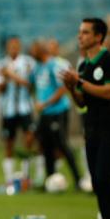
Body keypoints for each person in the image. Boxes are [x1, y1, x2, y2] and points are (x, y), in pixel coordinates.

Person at [61, 18, 110, 219]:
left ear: (99, 36)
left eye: (86, 32)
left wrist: (79, 82)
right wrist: (72, 88)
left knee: (103, 178)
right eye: (80, 32)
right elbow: (82, 103)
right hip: (92, 129)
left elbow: (109, 92)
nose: (80, 36)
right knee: (98, 183)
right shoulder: (85, 67)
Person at [29, 41, 81, 190]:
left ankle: (78, 179)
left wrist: (44, 103)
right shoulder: (38, 67)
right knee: (46, 146)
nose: (32, 53)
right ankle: (50, 179)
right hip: (45, 113)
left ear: (42, 51)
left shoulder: (54, 65)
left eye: (34, 50)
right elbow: (32, 84)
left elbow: (62, 89)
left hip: (58, 111)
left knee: (62, 144)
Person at [0, 36, 37, 184]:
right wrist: (5, 78)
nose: (13, 48)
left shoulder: (29, 63)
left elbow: (32, 85)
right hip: (8, 109)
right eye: (11, 46)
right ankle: (9, 179)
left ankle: (26, 176)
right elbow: (0, 89)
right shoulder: (1, 65)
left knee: (29, 139)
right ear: (7, 47)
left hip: (25, 107)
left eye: (16, 45)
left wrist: (12, 75)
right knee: (9, 143)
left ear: (20, 46)